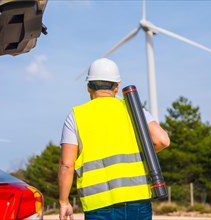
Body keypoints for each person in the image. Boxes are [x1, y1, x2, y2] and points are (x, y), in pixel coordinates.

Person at [58, 58, 170, 220]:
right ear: (117, 87)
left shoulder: (75, 116)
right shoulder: (134, 109)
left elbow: (66, 165)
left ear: (88, 87)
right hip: (138, 200)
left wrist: (64, 201)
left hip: (99, 205)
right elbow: (162, 140)